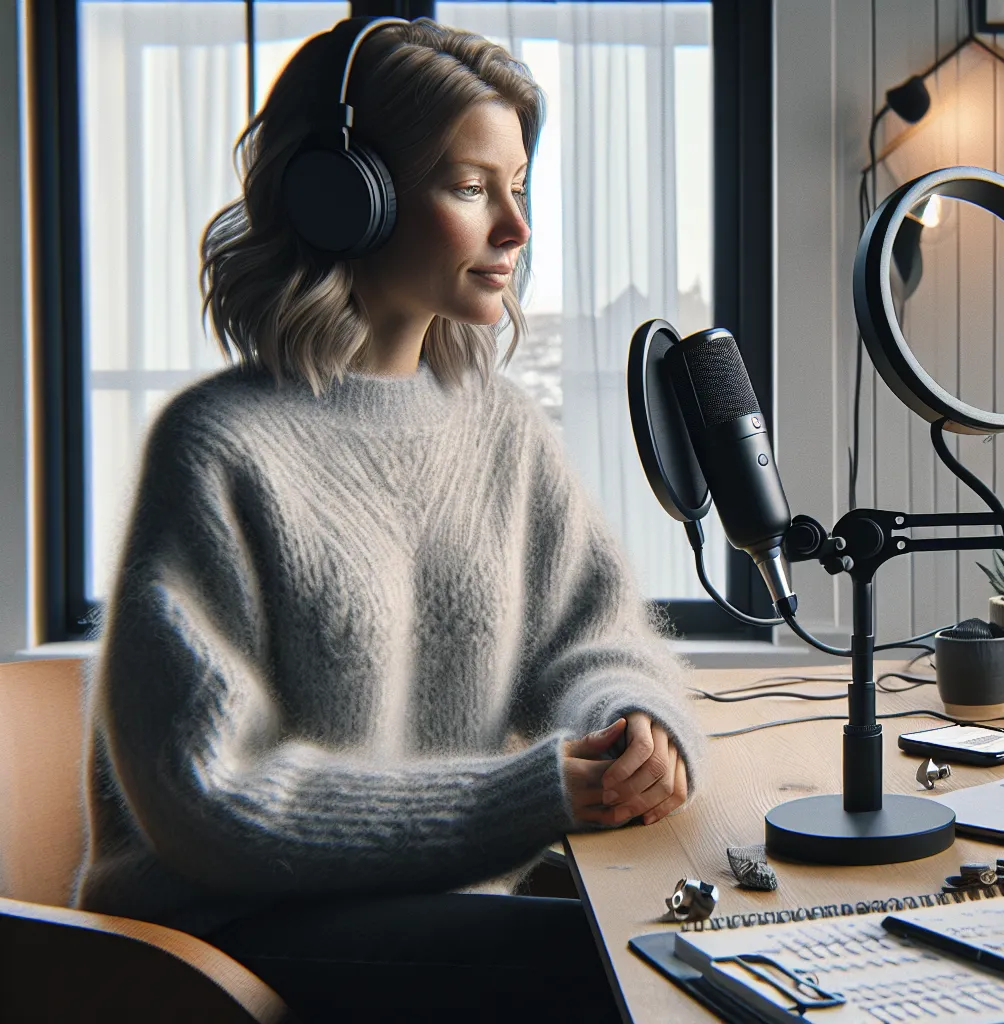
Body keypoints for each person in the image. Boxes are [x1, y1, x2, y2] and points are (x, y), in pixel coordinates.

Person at [74, 17, 699, 1023]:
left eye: (519, 188)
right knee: (633, 970)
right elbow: (206, 796)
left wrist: (628, 724)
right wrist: (524, 797)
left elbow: (597, 633)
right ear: (342, 200)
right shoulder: (219, 445)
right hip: (221, 944)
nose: (516, 230)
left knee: (677, 939)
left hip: (420, 915)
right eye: (470, 188)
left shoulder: (501, 429)